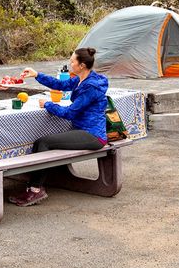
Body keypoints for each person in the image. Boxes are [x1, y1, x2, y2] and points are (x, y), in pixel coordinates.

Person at [8, 47, 108, 207]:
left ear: (82, 65)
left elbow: (70, 113)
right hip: (81, 130)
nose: (70, 63)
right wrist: (37, 75)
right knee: (41, 142)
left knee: (43, 143)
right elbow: (60, 84)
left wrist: (48, 104)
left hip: (93, 135)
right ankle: (33, 184)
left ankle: (35, 190)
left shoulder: (91, 87)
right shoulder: (81, 79)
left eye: (73, 61)